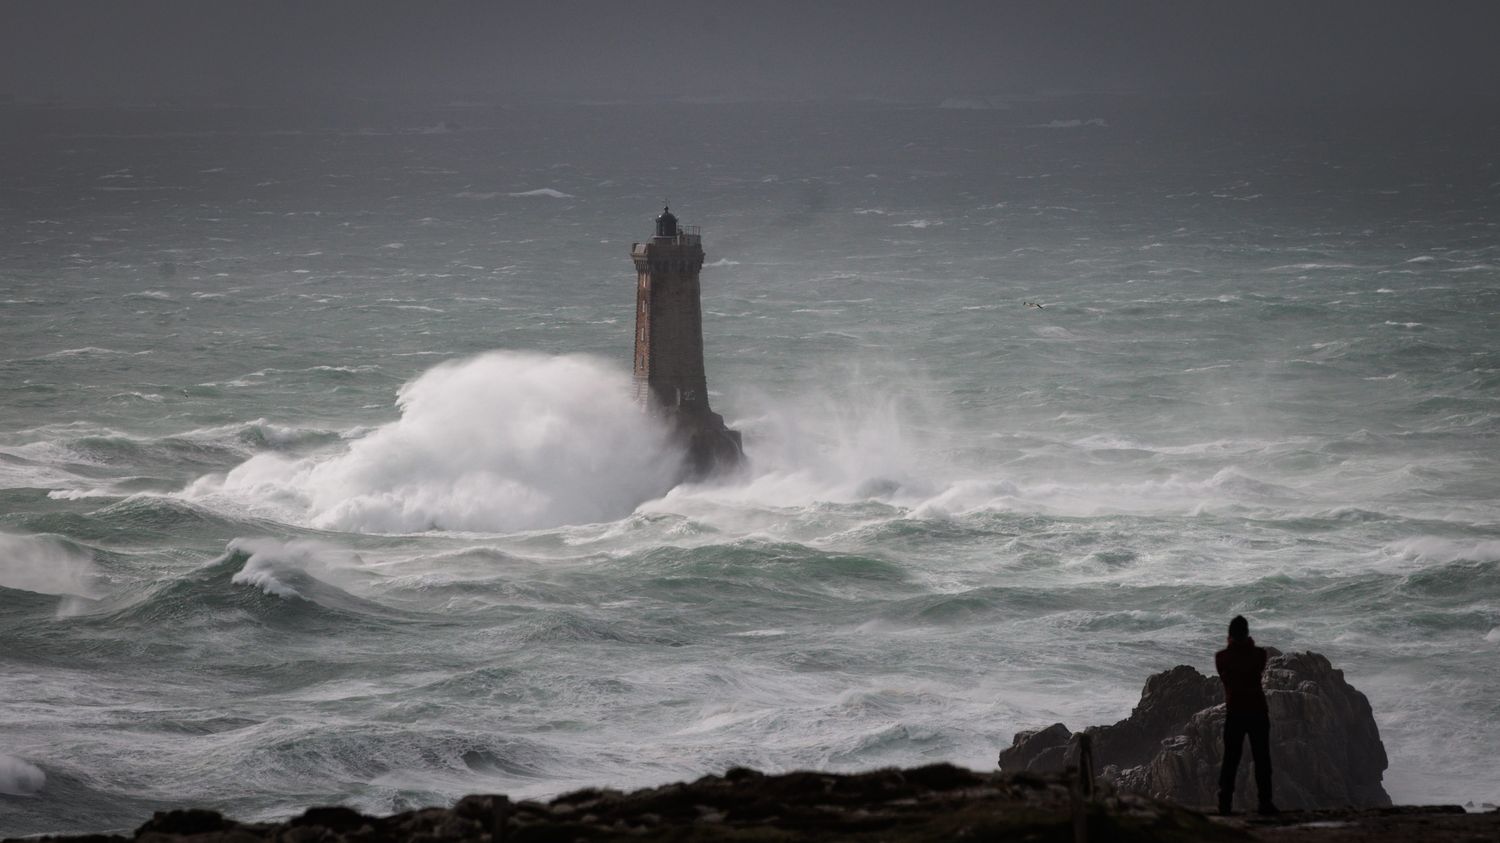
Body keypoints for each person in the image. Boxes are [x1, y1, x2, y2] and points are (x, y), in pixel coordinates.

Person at [1215, 615, 1278, 815]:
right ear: (1248, 634)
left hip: (1235, 713)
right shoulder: (1259, 654)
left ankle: (1224, 804)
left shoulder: (1222, 657)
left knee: (1231, 760)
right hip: (1258, 711)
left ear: (1230, 636)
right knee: (1262, 759)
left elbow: (1228, 669)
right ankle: (1265, 803)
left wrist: (1232, 646)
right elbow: (1255, 662)